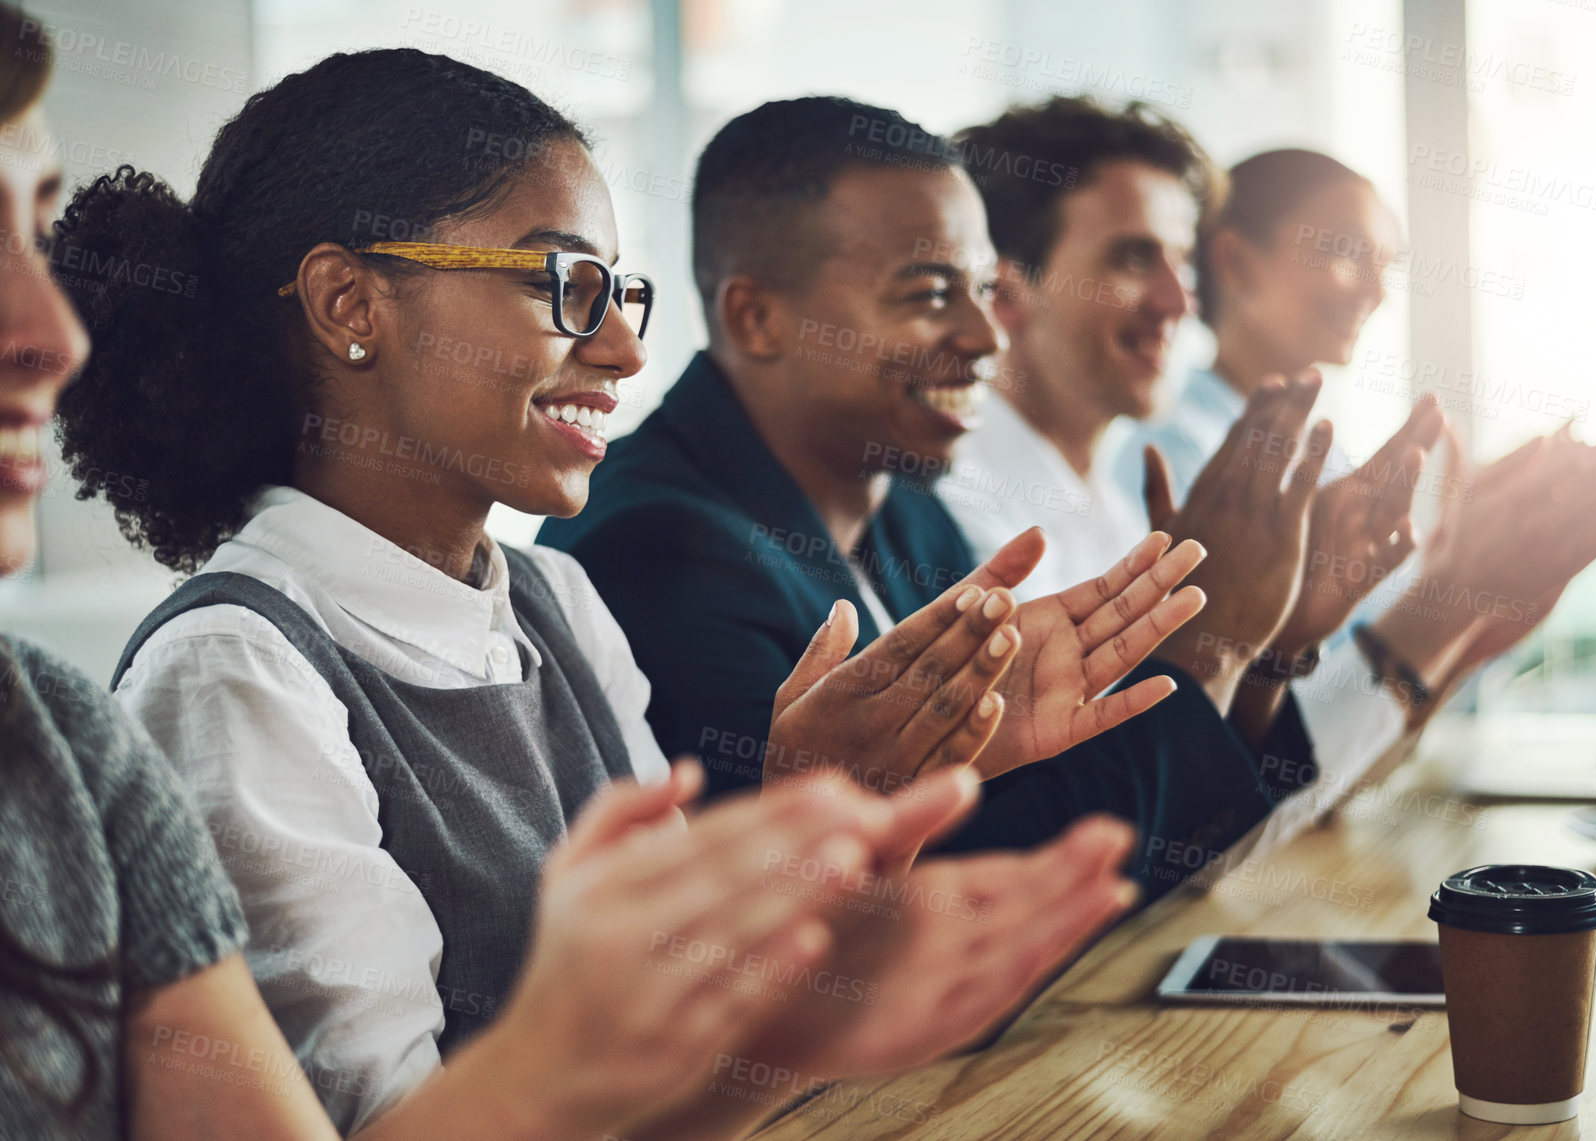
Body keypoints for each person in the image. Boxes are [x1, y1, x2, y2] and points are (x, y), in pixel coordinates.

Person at [46, 45, 1140, 1138]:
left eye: (621, 293)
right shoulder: (240, 671)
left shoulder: (554, 602)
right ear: (350, 304)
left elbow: (681, 1080)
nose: (620, 349)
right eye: (564, 286)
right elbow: (401, 1117)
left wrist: (832, 815)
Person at [540, 97, 1322, 899]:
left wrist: (1247, 651)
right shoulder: (659, 551)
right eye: (928, 295)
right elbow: (895, 918)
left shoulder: (899, 497)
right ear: (757, 316)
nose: (987, 337)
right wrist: (1209, 646)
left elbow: (1016, 808)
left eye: (983, 290)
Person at [943, 100, 1452, 857]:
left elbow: (1197, 814)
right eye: (1129, 259)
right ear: (1008, 294)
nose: (1179, 302)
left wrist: (1276, 649)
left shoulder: (1119, 507)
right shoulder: (961, 522)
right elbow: (1092, 836)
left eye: (1179, 263)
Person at [1117, 146, 1596, 805]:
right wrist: (1459, 585)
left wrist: (1485, 602)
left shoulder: (1329, 464)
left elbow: (1362, 739)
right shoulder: (1175, 465)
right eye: (1343, 250)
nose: (1373, 289)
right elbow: (1249, 765)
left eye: (1384, 264)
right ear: (1233, 262)